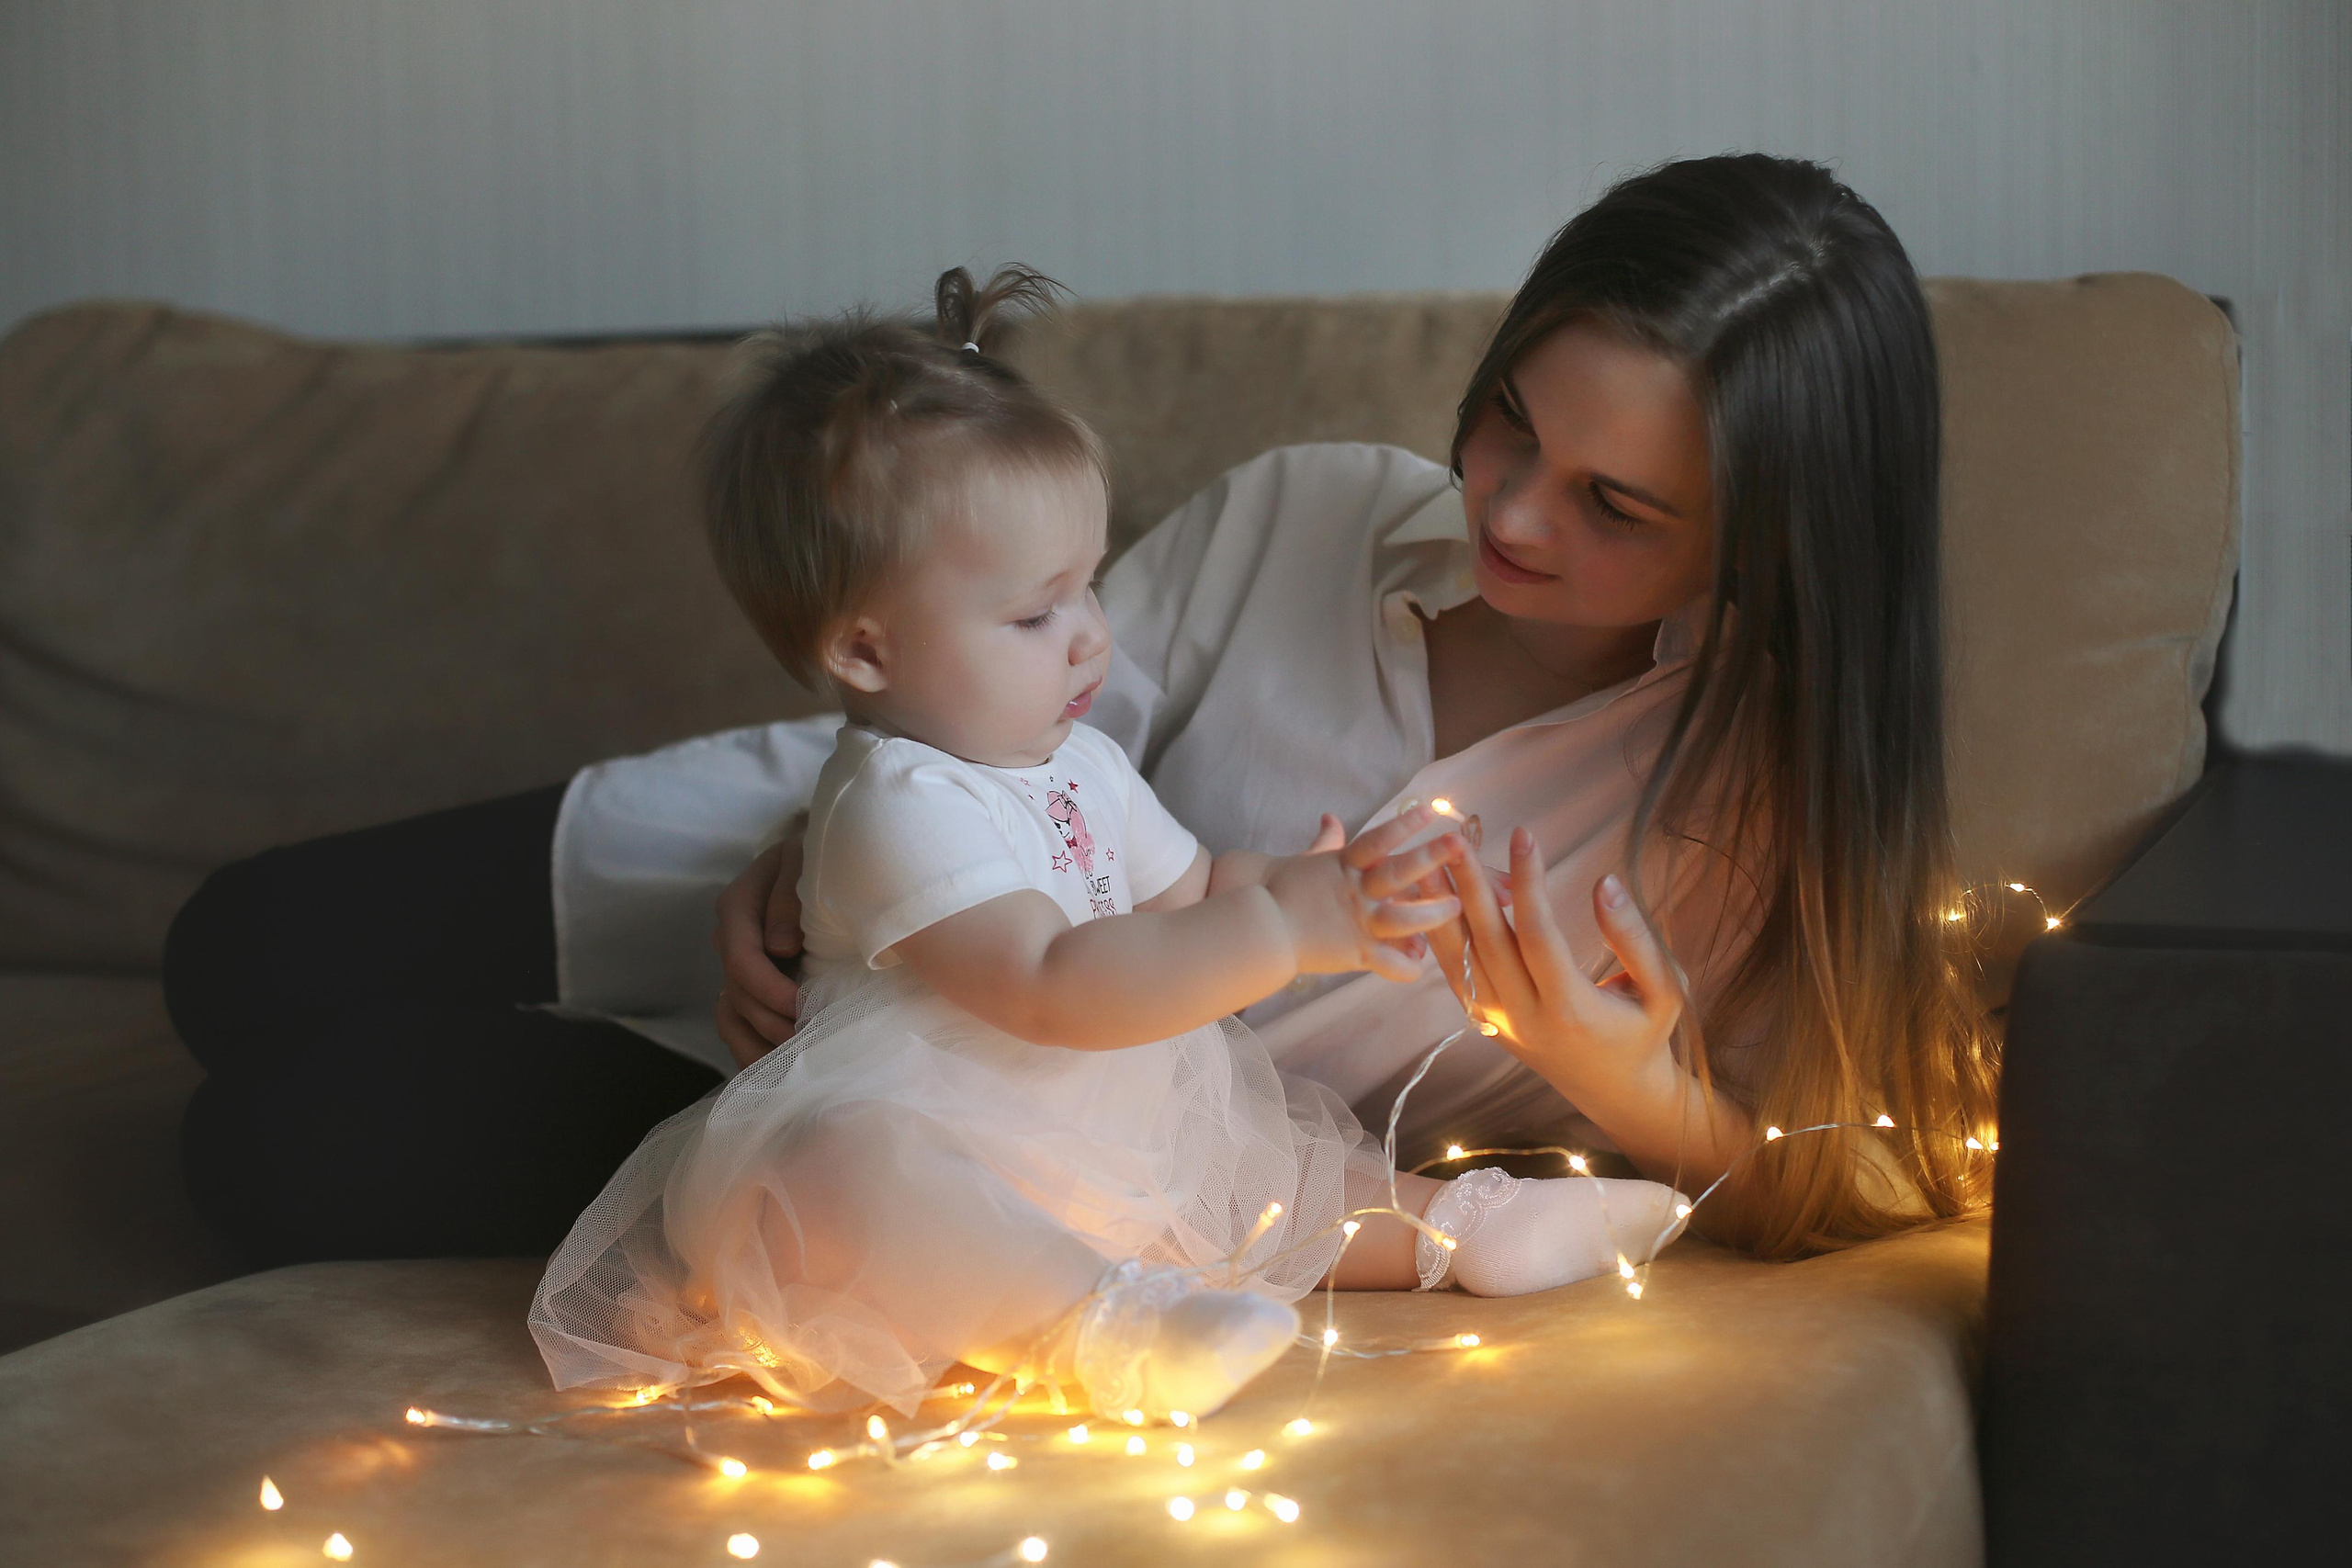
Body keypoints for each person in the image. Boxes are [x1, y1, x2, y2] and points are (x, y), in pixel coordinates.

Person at [168, 152, 1996, 1275]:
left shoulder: (1764, 805)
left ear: (1768, 538)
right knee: (233, 944)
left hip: (955, 1122)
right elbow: (996, 703)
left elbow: (1858, 1179)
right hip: (854, 873)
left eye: (1615, 506)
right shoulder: (1315, 509)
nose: (1511, 511)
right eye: (1512, 420)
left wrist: (1634, 1088)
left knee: (273, 1138)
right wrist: (798, 847)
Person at [527, 267, 1690, 1418]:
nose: (1091, 638)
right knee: (835, 1172)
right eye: (1038, 613)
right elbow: (1047, 986)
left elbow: (1192, 887)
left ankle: (1468, 1226)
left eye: (1087, 589)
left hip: (1111, 1120)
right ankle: (1104, 1325)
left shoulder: (1077, 757)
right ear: (867, 656)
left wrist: (1324, 891)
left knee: (1264, 1169)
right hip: (941, 1134)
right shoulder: (894, 803)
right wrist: (1283, 930)